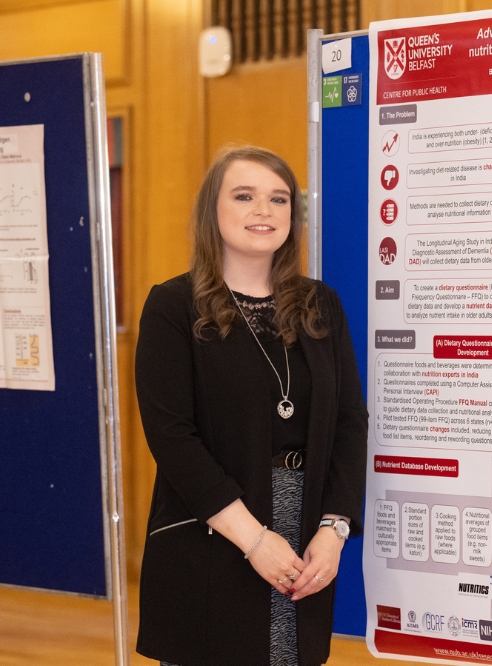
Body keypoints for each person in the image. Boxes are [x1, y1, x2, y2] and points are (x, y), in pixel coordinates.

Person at [134, 145, 367, 666]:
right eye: (245, 196)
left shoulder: (319, 303)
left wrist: (335, 530)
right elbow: (172, 438)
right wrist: (255, 540)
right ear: (211, 212)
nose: (264, 211)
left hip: (306, 533)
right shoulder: (173, 306)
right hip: (216, 529)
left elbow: (351, 423)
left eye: (278, 199)